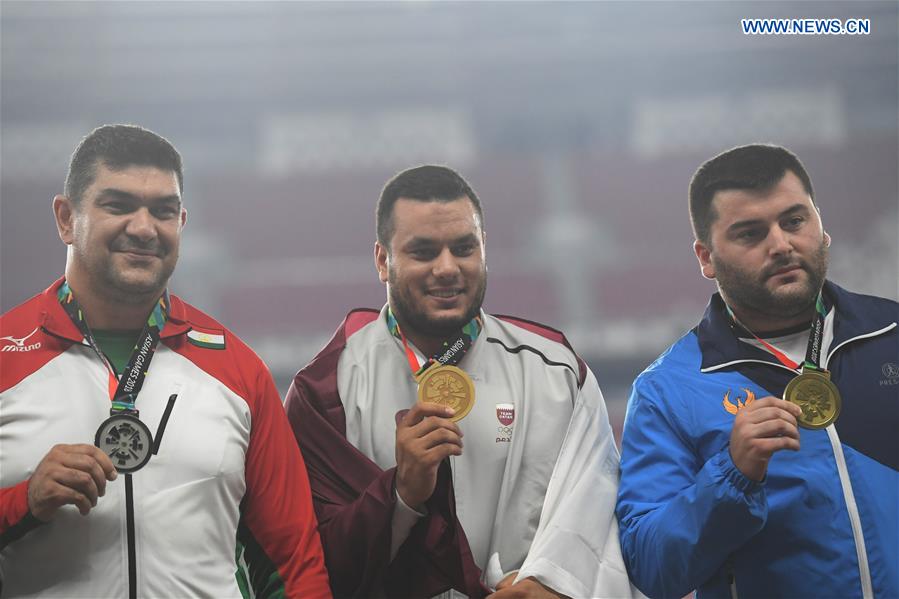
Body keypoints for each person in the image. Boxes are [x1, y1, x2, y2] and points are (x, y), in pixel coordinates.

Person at [0, 124, 331, 598]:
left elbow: (293, 562)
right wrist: (23, 503)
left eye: (163, 210)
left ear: (182, 222)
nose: (143, 227)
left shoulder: (239, 373)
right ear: (66, 218)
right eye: (117, 205)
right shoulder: (4, 356)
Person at [284, 165, 633, 598]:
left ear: (484, 249)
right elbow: (307, 559)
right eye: (424, 252)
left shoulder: (558, 374)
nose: (447, 268)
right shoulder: (326, 390)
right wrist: (401, 494)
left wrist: (555, 585)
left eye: (464, 248)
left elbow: (599, 515)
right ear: (382, 261)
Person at [616, 144, 898, 598]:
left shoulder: (892, 333)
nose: (781, 244)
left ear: (821, 227)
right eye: (750, 233)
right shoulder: (667, 390)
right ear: (706, 257)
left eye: (794, 221)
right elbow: (650, 568)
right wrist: (732, 475)